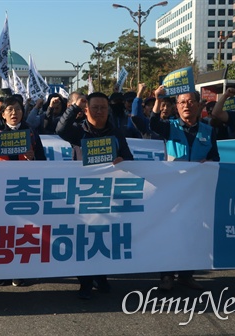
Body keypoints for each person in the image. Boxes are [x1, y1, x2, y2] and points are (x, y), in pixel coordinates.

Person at [56, 92, 133, 299]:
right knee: (84, 237)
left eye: (103, 108)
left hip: (108, 194)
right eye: (95, 107)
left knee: (103, 236)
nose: (100, 111)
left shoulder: (116, 134)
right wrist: (73, 107)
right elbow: (60, 129)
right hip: (82, 194)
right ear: (87, 110)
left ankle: (101, 276)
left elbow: (129, 159)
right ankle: (85, 282)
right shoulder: (79, 133)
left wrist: (121, 160)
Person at [150, 86, 220, 291]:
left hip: (197, 191)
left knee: (194, 232)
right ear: (176, 107)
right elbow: (152, 123)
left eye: (191, 102)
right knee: (170, 232)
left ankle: (186, 275)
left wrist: (209, 162)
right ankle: (166, 275)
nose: (186, 106)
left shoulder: (208, 130)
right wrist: (157, 98)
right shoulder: (170, 127)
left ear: (199, 105)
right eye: (181, 102)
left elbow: (216, 157)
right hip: (173, 190)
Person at [0, 95, 46, 287]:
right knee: (1, 231)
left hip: (24, 190)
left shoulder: (30, 133)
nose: (14, 113)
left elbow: (43, 161)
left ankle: (21, 271)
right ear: (3, 114)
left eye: (18, 109)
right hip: (0, 190)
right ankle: (0, 270)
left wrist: (33, 158)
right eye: (10, 110)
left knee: (23, 232)